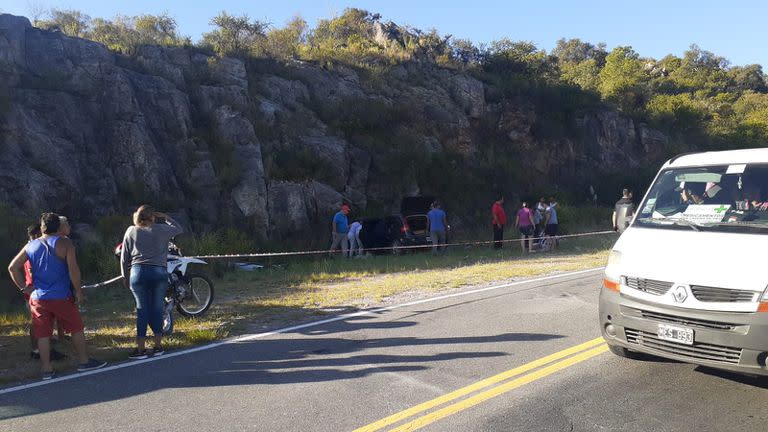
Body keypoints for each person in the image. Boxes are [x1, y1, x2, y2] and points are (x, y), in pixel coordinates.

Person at [7, 213, 106, 380]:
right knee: (76, 328)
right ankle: (84, 361)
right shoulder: (65, 243)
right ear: (58, 228)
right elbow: (73, 271)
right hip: (61, 296)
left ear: (43, 226)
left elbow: (12, 267)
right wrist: (78, 291)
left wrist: (25, 288)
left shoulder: (30, 245)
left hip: (38, 298)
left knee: (43, 334)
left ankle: (47, 370)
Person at [120, 205, 183, 359]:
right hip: (159, 271)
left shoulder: (131, 231)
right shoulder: (161, 229)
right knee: (157, 308)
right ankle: (158, 345)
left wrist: (124, 276)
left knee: (142, 310)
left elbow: (124, 257)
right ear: (152, 216)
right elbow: (178, 228)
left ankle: (140, 349)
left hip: (138, 272)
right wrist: (166, 217)